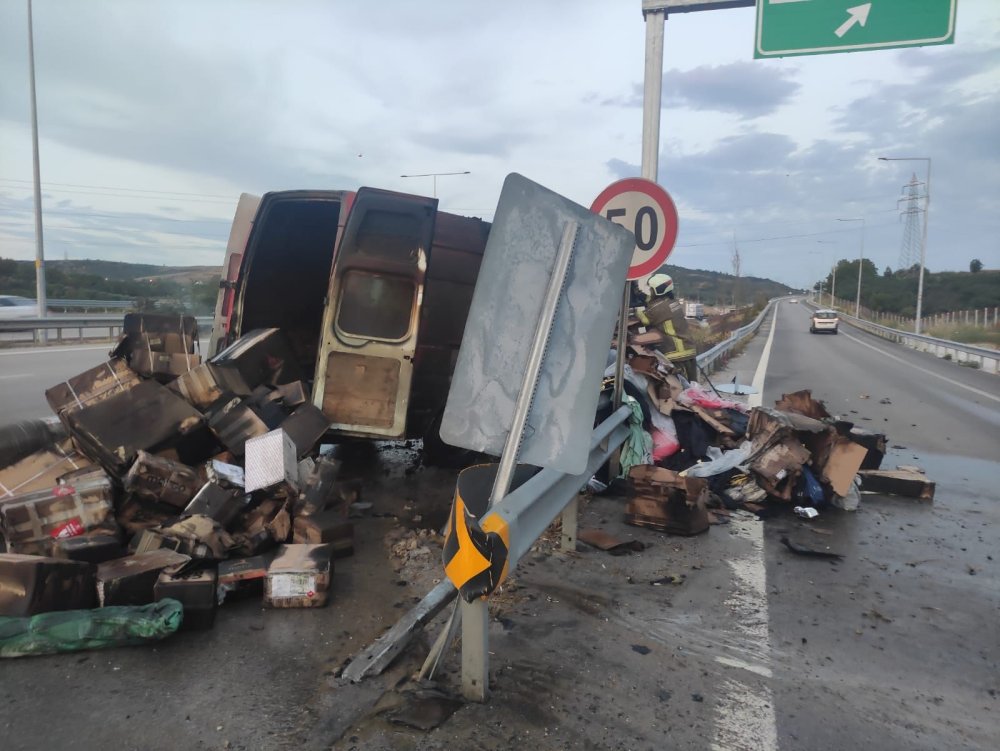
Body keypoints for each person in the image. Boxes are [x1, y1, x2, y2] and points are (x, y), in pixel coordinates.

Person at [634, 273, 698, 382]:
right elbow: (653, 302)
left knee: (678, 388)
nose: (650, 292)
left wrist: (634, 307)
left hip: (676, 354)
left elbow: (644, 318)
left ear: (658, 290)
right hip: (688, 351)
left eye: (652, 290)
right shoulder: (672, 303)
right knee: (691, 386)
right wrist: (640, 294)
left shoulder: (659, 309)